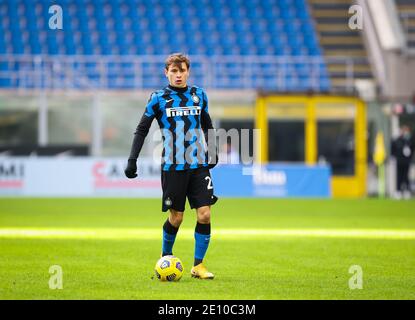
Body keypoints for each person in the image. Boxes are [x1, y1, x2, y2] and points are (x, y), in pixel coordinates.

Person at [124, 53, 218, 279]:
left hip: (198, 166)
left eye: (182, 70)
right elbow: (142, 129)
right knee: (177, 217)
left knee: (204, 214)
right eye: (173, 71)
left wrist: (213, 151)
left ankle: (199, 265)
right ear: (166, 73)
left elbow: (208, 125)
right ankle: (165, 257)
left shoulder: (199, 95)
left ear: (188, 72)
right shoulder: (158, 98)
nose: (178, 75)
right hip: (173, 167)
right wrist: (132, 160)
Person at [391, 125, 414, 199]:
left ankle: (407, 190)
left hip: (406, 161)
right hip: (399, 160)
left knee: (406, 176)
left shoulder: (409, 140)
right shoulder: (397, 140)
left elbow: (412, 149)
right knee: (399, 176)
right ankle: (398, 191)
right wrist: (394, 157)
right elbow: (393, 149)